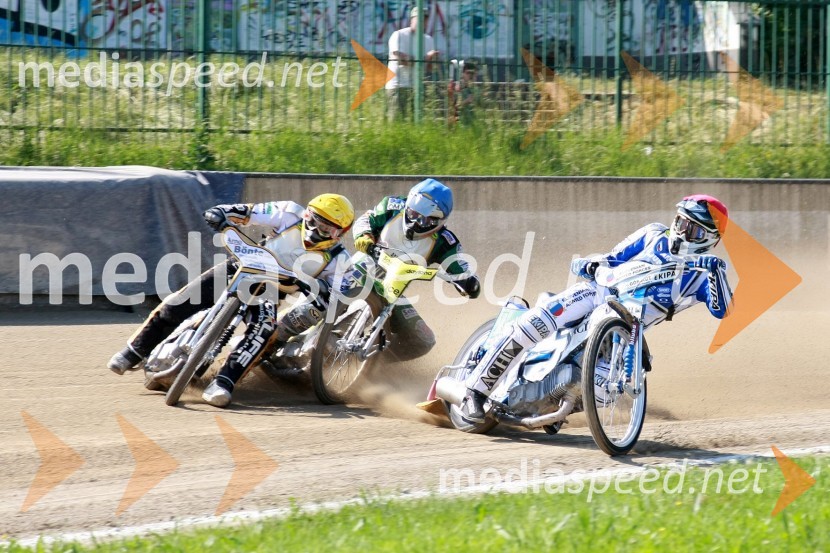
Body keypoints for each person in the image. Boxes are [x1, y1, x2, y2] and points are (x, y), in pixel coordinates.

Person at [460, 194, 734, 422]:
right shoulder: (652, 234)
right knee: (536, 323)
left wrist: (715, 273)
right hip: (598, 294)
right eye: (681, 222)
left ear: (711, 239)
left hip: (629, 328)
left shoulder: (702, 274)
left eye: (693, 229)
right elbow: (612, 258)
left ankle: (553, 405)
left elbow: (724, 311)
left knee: (606, 389)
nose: (682, 232)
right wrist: (591, 264)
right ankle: (475, 392)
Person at [107, 194, 355, 408]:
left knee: (263, 330)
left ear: (340, 233)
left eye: (327, 230)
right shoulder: (289, 212)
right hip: (241, 267)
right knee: (182, 299)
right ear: (307, 214)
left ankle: (224, 381)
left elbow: (338, 294)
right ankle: (133, 352)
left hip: (271, 289)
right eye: (314, 221)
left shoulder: (339, 259)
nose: (316, 231)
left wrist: (319, 289)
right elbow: (249, 211)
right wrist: (222, 213)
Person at [350, 178, 481, 360]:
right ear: (408, 205)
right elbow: (365, 220)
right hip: (363, 268)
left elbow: (462, 267)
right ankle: (310, 321)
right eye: (413, 213)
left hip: (392, 292)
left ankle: (371, 364)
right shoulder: (392, 205)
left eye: (425, 219)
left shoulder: (445, 242)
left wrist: (469, 282)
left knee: (423, 340)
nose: (415, 222)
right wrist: (364, 237)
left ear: (440, 221)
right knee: (333, 286)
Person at [386, 7, 440, 122]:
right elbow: (400, 60)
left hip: (417, 87)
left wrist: (433, 60)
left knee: (414, 124)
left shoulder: (428, 40)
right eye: (418, 19)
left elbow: (429, 69)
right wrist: (425, 58)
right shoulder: (399, 35)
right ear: (412, 19)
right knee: (396, 123)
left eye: (424, 19)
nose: (422, 22)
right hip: (398, 86)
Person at [454, 61, 481, 126]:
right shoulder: (458, 87)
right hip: (461, 122)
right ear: (463, 73)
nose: (471, 76)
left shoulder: (476, 89)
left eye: (473, 73)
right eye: (469, 73)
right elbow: (454, 107)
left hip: (474, 122)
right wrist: (467, 101)